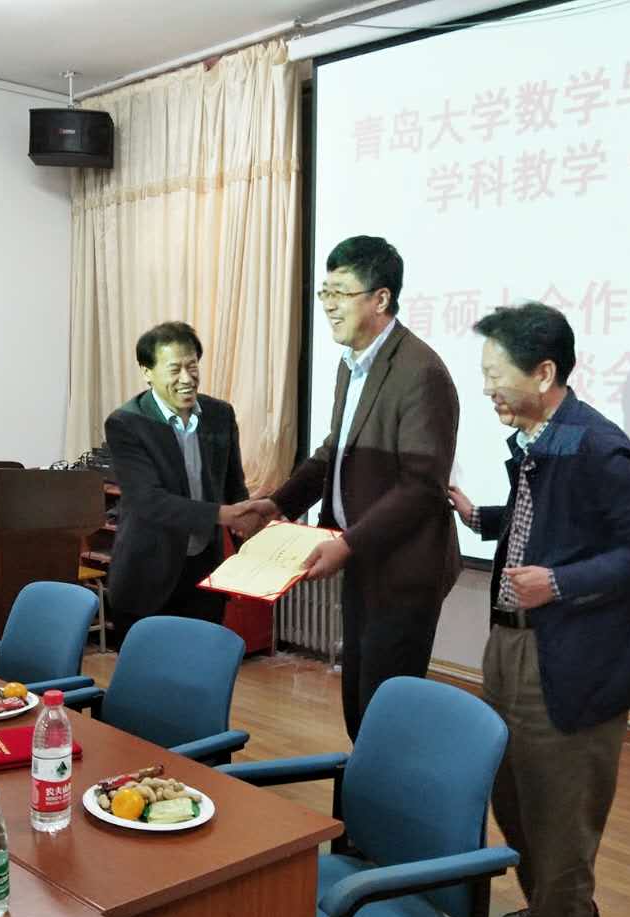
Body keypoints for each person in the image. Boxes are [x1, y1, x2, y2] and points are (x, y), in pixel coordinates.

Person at [447, 302, 630, 917]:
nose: (487, 388)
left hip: (572, 659)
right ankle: (554, 908)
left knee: (560, 820)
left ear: (544, 373)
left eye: (496, 374)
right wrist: (484, 518)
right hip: (513, 645)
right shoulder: (544, 438)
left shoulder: (598, 445)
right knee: (514, 799)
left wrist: (559, 582)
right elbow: (557, 520)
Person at [247, 235, 461, 741]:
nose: (328, 305)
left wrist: (347, 543)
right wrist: (278, 503)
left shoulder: (421, 372)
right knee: (358, 706)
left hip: (403, 571)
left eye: (340, 293)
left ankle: (390, 792)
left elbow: (421, 486)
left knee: (385, 715)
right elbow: (334, 452)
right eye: (324, 293)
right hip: (365, 561)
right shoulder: (354, 365)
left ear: (380, 298)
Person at [104, 322, 259, 643]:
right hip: (148, 572)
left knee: (199, 663)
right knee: (148, 669)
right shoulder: (127, 423)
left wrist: (251, 530)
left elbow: (233, 485)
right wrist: (223, 514)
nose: (187, 378)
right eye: (175, 369)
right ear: (147, 372)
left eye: (193, 366)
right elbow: (148, 501)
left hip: (203, 570)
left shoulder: (219, 414)